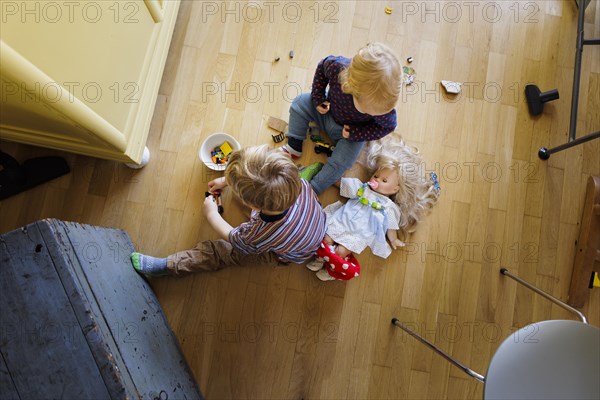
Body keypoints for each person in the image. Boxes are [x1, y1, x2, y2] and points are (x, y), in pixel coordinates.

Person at [130, 145, 327, 276]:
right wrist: (227, 181)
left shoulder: (258, 233)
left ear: (254, 207)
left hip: (283, 253)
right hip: (311, 224)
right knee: (263, 190)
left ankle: (170, 265)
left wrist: (212, 215)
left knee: (222, 252)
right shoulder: (298, 182)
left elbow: (237, 241)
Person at [308, 135, 440, 281]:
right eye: (376, 176)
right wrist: (332, 179)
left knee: (341, 251)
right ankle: (320, 259)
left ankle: (332, 270)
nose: (377, 180)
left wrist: (393, 239)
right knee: (326, 238)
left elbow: (391, 225)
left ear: (395, 189)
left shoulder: (388, 207)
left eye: (384, 180)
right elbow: (344, 185)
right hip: (342, 221)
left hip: (358, 234)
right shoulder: (362, 189)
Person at [282, 42, 402, 194]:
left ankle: (313, 188)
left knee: (343, 161)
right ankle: (294, 144)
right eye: (369, 111)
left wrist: (358, 133)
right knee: (300, 102)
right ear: (349, 86)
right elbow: (321, 68)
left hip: (350, 134)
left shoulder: (385, 112)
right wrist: (318, 97)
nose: (373, 115)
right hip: (327, 112)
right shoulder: (337, 67)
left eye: (376, 113)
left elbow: (387, 127)